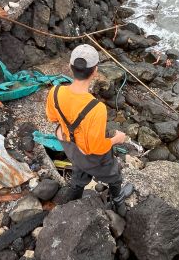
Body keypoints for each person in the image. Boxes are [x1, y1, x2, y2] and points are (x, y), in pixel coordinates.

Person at [45, 44, 133, 215]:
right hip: (92, 155)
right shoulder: (96, 108)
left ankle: (73, 203)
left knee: (79, 173)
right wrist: (117, 139)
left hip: (72, 149)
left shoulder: (55, 92)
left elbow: (52, 118)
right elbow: (96, 148)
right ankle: (118, 202)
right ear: (95, 71)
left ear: (71, 68)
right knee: (114, 176)